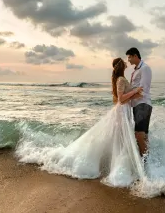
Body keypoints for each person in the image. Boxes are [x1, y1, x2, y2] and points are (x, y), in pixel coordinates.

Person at [24, 57, 145, 188]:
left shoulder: (119, 79)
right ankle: (122, 170)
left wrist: (137, 93)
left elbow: (122, 98)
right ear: (122, 66)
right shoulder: (121, 79)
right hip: (122, 111)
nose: (127, 65)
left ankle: (121, 167)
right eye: (125, 64)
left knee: (120, 140)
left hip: (123, 111)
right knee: (121, 139)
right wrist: (134, 91)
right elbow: (121, 99)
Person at [126, 47, 152, 158]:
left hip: (143, 104)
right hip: (136, 104)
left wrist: (127, 98)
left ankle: (145, 161)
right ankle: (146, 159)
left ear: (136, 56)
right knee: (143, 135)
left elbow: (143, 88)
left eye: (130, 57)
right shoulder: (135, 70)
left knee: (139, 134)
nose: (128, 60)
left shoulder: (144, 68)